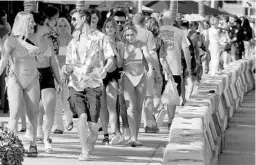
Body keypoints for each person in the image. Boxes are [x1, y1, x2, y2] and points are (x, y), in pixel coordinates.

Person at [63, 9, 114, 160]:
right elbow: (68, 64)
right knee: (82, 116)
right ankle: (84, 151)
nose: (72, 22)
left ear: (83, 18)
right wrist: (65, 71)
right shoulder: (73, 42)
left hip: (93, 84)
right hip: (76, 84)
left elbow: (110, 58)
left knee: (92, 125)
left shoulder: (100, 37)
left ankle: (94, 134)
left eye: (74, 19)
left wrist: (104, 69)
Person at [0, 11, 41, 157]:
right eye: (30, 21)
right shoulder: (10, 40)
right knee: (15, 113)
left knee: (33, 113)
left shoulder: (36, 37)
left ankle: (33, 144)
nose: (33, 24)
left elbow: (42, 57)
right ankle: (9, 145)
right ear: (23, 22)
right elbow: (3, 62)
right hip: (15, 78)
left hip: (32, 79)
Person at [31, 6, 61, 153]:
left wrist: (59, 80)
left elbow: (54, 61)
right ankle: (35, 136)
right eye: (55, 18)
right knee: (35, 109)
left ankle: (46, 138)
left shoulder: (51, 38)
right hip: (32, 74)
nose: (56, 21)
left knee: (49, 106)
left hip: (47, 73)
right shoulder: (29, 36)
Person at [121, 21, 153, 147]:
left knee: (138, 108)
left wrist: (150, 68)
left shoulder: (142, 44)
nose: (129, 37)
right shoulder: (123, 45)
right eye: (127, 35)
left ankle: (136, 136)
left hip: (141, 77)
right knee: (131, 107)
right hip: (127, 77)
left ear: (135, 34)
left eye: (131, 35)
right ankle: (132, 137)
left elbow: (148, 56)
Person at [159, 10, 191, 129]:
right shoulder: (179, 32)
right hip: (175, 69)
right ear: (173, 20)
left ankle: (158, 111)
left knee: (158, 93)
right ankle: (170, 120)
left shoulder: (156, 31)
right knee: (172, 95)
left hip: (159, 68)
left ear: (162, 19)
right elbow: (186, 51)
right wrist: (188, 67)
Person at [133, 13, 159, 133]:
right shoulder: (147, 34)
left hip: (130, 70)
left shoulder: (126, 33)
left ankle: (132, 126)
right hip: (145, 70)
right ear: (144, 23)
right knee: (148, 98)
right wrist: (156, 70)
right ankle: (149, 124)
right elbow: (152, 53)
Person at [53, 17, 73, 134]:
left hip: (68, 73)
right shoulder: (54, 40)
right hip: (56, 72)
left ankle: (69, 120)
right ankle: (59, 126)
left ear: (68, 27)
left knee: (66, 99)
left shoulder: (72, 40)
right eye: (60, 25)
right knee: (57, 100)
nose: (62, 28)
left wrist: (67, 71)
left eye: (65, 25)